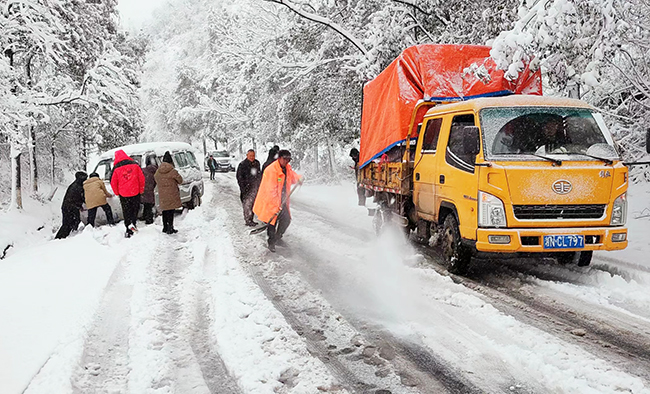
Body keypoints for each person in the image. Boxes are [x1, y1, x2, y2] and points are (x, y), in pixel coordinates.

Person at [253, 149, 303, 252]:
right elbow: (271, 190)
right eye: (285, 159)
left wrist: (299, 178)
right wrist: (277, 204)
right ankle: (271, 243)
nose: (287, 162)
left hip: (282, 199)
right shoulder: (271, 170)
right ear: (279, 158)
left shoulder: (287, 168)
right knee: (272, 222)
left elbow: (292, 177)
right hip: (270, 200)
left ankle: (278, 237)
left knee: (286, 220)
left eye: (289, 160)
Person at [111, 149, 145, 238]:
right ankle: (133, 223)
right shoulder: (135, 165)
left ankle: (128, 228)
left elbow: (113, 182)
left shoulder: (116, 168)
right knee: (135, 209)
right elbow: (141, 179)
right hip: (135, 191)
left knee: (126, 211)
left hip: (124, 194)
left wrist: (117, 192)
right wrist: (141, 190)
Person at [154, 151, 183, 234]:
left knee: (165, 210)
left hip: (162, 194)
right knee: (171, 211)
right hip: (172, 193)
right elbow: (180, 180)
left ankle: (165, 227)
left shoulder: (158, 171)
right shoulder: (172, 171)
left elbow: (155, 178)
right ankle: (170, 227)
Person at [55, 171, 87, 239]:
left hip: (68, 207)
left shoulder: (74, 185)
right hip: (70, 208)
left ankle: (68, 236)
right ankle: (59, 239)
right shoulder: (78, 187)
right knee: (68, 224)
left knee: (73, 222)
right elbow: (80, 198)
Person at [236, 149, 262, 226]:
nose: (252, 157)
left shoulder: (257, 163)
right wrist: (243, 188)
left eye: (253, 155)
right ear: (247, 155)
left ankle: (251, 219)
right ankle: (248, 220)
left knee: (253, 205)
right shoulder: (242, 165)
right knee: (247, 205)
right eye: (250, 155)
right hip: (246, 189)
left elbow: (259, 175)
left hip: (255, 188)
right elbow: (239, 178)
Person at [142, 155, 158, 224]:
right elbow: (155, 181)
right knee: (149, 204)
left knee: (146, 204)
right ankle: (149, 219)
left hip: (143, 189)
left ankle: (145, 216)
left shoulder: (143, 171)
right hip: (150, 189)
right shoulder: (155, 171)